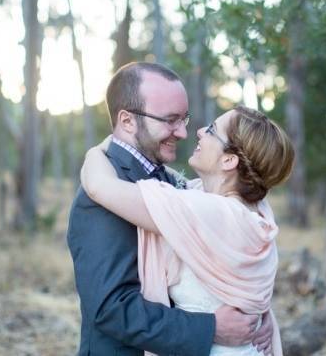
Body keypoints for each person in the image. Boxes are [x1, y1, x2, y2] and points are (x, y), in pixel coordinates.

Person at [67, 62, 278, 356]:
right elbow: (109, 309)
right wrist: (212, 328)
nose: (183, 132)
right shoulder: (104, 197)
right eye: (170, 120)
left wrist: (256, 314)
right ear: (127, 121)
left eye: (184, 118)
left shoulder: (182, 189)